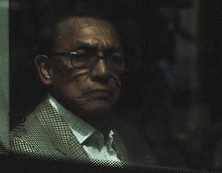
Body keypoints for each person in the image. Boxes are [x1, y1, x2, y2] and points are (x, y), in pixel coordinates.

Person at [9, 13, 156, 164]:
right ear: (47, 70)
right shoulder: (26, 148)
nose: (103, 72)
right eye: (82, 57)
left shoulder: (130, 137)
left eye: (114, 58)